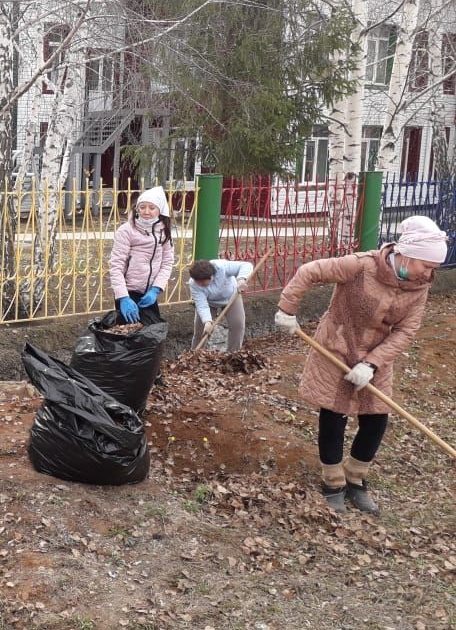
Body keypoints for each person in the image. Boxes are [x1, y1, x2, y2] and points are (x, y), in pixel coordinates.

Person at [274, 215, 448, 515]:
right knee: (335, 413)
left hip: (376, 356)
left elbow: (406, 331)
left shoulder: (419, 287)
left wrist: (372, 364)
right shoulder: (361, 265)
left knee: (377, 417)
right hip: (336, 348)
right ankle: (332, 483)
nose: (429, 274)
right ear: (407, 254)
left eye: (433, 268)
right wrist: (287, 309)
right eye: (426, 265)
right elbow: (308, 271)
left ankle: (355, 479)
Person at [108, 186, 175, 325]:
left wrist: (156, 289)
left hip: (149, 293)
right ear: (137, 208)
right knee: (127, 334)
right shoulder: (126, 231)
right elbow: (116, 266)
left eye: (152, 208)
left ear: (160, 210)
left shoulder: (164, 231)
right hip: (128, 292)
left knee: (151, 335)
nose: (146, 211)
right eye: (142, 207)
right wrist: (123, 297)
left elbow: (167, 262)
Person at [187, 258, 254, 352]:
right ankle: (195, 356)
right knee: (201, 331)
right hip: (209, 302)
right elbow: (201, 304)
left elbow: (246, 265)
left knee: (238, 325)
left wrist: (241, 280)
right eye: (198, 282)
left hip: (231, 297)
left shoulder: (222, 267)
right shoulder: (193, 283)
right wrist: (207, 322)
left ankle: (233, 355)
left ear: (210, 276)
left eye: (202, 282)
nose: (200, 284)